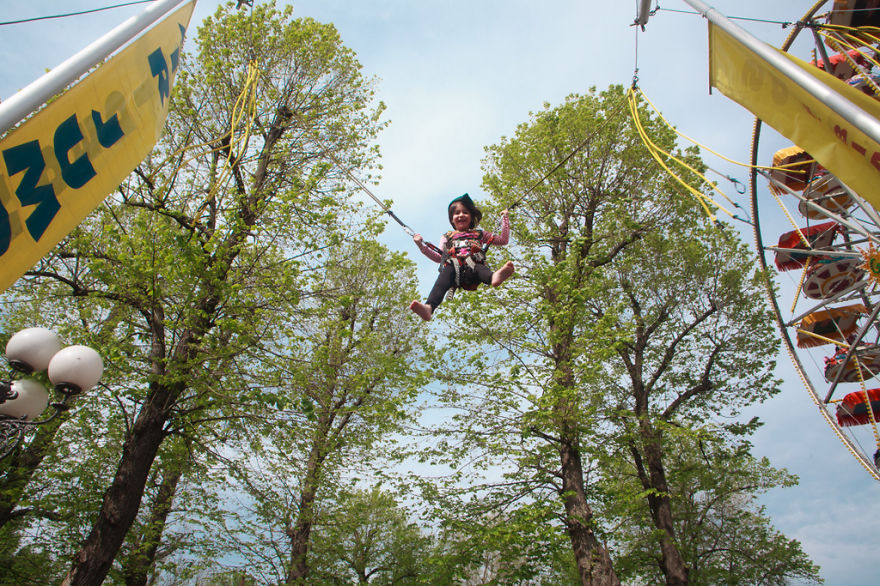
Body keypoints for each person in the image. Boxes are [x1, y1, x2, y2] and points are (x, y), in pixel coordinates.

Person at [409, 193, 515, 321]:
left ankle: (494, 277)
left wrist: (505, 218)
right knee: (445, 273)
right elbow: (438, 257)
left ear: (471, 217)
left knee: (477, 265)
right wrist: (420, 245)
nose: (461, 215)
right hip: (455, 272)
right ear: (452, 219)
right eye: (457, 213)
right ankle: (429, 307)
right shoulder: (448, 237)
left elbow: (503, 240)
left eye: (465, 212)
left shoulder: (479, 234)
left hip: (473, 269)